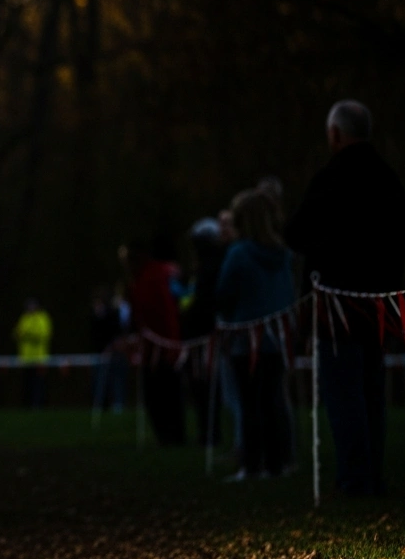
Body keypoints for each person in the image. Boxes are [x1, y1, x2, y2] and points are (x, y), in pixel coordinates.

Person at [284, 99, 405, 496]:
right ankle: (372, 472)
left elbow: (296, 234)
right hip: (378, 302)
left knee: (342, 392)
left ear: (335, 134)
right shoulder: (389, 179)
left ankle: (355, 477)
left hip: (337, 305)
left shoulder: (330, 178)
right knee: (372, 391)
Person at [216, 190, 296, 480]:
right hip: (277, 337)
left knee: (249, 403)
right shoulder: (284, 254)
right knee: (274, 400)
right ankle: (278, 463)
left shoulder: (238, 253)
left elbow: (224, 293)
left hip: (245, 339)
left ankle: (251, 465)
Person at [122, 235, 186, 445]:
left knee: (165, 393)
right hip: (153, 347)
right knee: (159, 394)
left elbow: (165, 314)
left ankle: (172, 436)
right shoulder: (142, 278)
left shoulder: (153, 277)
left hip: (162, 348)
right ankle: (168, 436)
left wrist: (170, 346)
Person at [180, 218, 226, 447]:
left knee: (205, 387)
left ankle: (210, 433)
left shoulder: (209, 268)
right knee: (203, 388)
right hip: (202, 336)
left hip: (204, 337)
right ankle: (208, 432)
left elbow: (204, 304)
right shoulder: (206, 267)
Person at [89, 288, 128, 415]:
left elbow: (116, 331)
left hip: (114, 352)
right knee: (99, 380)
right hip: (100, 353)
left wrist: (111, 346)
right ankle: (101, 404)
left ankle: (118, 403)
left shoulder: (112, 314)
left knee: (116, 379)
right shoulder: (95, 316)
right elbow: (94, 335)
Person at [13, 298, 52, 408]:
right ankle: (27, 406)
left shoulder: (42, 318)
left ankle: (39, 406)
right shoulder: (24, 318)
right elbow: (17, 333)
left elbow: (44, 334)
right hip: (25, 359)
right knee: (27, 384)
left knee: (39, 384)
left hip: (40, 358)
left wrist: (27, 335)